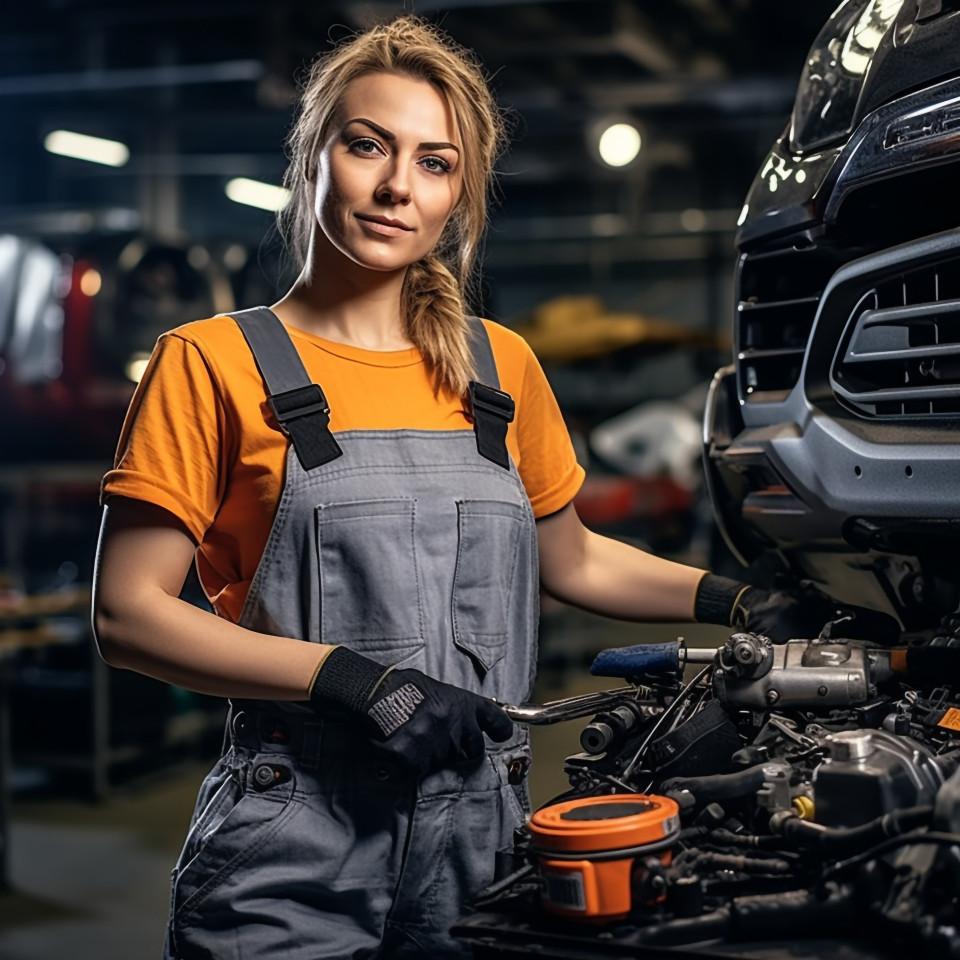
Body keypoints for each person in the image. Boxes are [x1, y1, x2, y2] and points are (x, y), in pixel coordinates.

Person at [91, 15, 879, 960]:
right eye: (367, 146)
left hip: (487, 833)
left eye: (435, 163)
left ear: (458, 193)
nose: (395, 187)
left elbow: (573, 556)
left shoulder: (498, 369)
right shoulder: (213, 361)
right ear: (311, 157)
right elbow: (129, 614)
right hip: (293, 834)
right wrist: (352, 682)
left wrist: (741, 599)